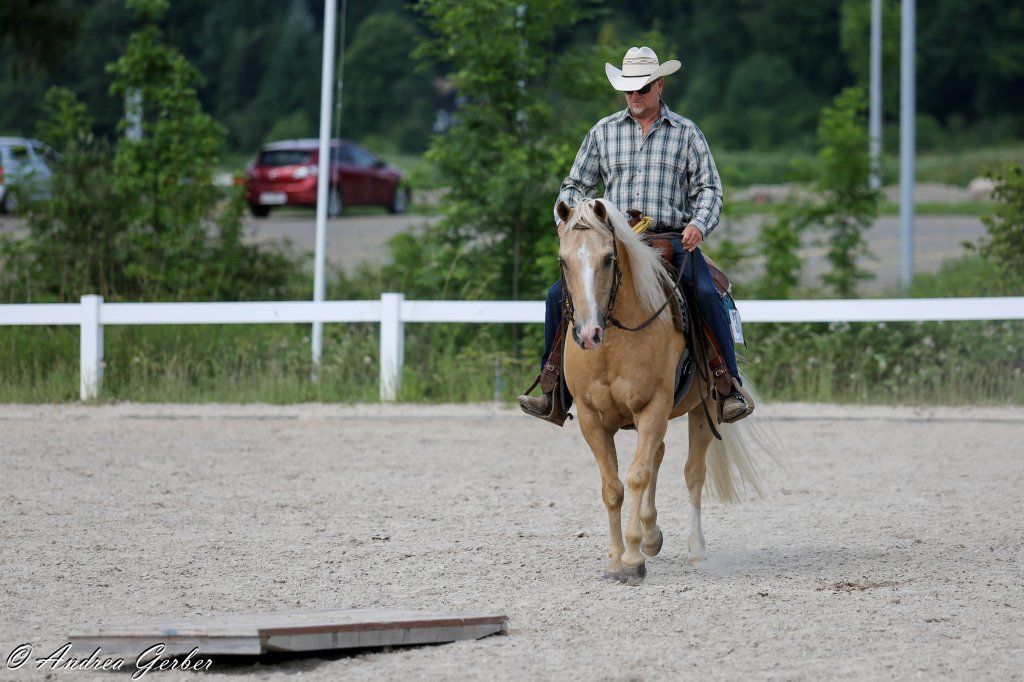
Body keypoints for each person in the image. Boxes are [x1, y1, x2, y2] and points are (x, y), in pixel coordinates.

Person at [518, 46, 754, 424]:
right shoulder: (603, 131)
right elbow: (575, 184)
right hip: (613, 242)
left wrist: (698, 224)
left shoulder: (686, 133)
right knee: (556, 295)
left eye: (642, 88)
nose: (634, 95)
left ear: (659, 86)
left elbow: (709, 189)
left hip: (670, 240)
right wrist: (568, 217)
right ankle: (553, 388)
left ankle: (727, 386)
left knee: (706, 292)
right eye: (628, 89)